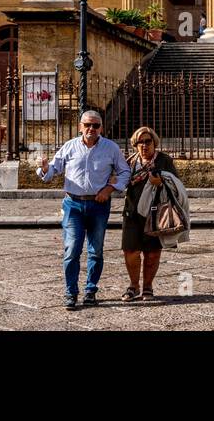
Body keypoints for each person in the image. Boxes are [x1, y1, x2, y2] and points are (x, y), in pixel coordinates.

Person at [37, 111, 130, 309]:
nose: (91, 129)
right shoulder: (69, 147)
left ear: (101, 128)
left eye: (96, 126)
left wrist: (110, 188)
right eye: (87, 125)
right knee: (72, 250)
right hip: (73, 205)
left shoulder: (111, 148)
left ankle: (90, 290)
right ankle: (71, 293)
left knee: (96, 251)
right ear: (80, 126)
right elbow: (53, 170)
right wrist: (45, 168)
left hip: (99, 205)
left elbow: (125, 172)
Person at [121, 126, 180, 302]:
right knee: (130, 250)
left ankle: (147, 286)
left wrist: (160, 182)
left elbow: (176, 184)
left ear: (154, 142)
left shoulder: (164, 160)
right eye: (140, 142)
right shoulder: (129, 162)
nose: (144, 145)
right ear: (135, 145)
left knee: (153, 252)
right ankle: (133, 285)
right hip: (132, 212)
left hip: (156, 212)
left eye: (148, 141)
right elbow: (120, 182)